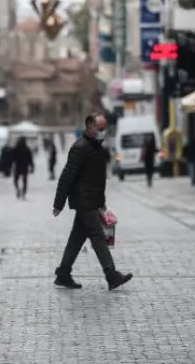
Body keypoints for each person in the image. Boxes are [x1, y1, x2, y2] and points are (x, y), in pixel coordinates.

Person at [53, 113, 133, 291]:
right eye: (101, 129)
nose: (104, 133)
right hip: (84, 201)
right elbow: (67, 175)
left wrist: (102, 203)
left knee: (77, 236)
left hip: (91, 200)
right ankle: (111, 275)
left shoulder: (96, 147)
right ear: (90, 127)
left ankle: (63, 273)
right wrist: (59, 203)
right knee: (97, 235)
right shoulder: (80, 148)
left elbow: (97, 180)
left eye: (105, 129)